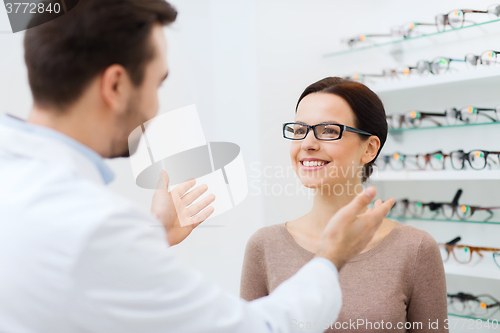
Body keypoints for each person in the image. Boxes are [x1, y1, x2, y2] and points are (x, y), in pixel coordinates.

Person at [240, 77, 449, 332]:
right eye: (299, 130)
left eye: (328, 130)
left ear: (369, 148)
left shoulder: (415, 249)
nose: (307, 144)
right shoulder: (264, 245)